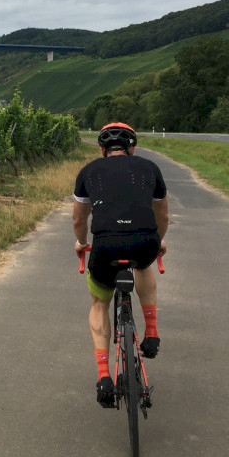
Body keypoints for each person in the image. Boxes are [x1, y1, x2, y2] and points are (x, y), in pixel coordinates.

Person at [71, 122, 168, 408]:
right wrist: (158, 241)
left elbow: (79, 220)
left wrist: (81, 242)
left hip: (105, 246)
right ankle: (151, 332)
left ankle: (103, 376)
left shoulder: (88, 171)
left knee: (100, 303)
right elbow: (162, 216)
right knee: (143, 267)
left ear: (102, 150)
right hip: (143, 242)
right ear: (132, 148)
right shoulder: (150, 168)